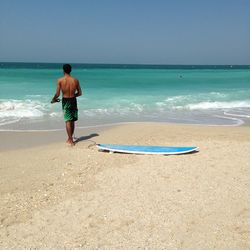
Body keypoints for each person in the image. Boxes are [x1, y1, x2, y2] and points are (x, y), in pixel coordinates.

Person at [51, 64, 82, 146]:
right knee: (72, 120)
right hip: (73, 100)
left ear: (63, 70)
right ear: (70, 70)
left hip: (65, 100)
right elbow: (80, 93)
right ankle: (70, 138)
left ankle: (71, 140)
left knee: (68, 120)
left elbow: (57, 94)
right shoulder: (75, 80)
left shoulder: (60, 80)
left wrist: (53, 99)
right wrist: (73, 96)